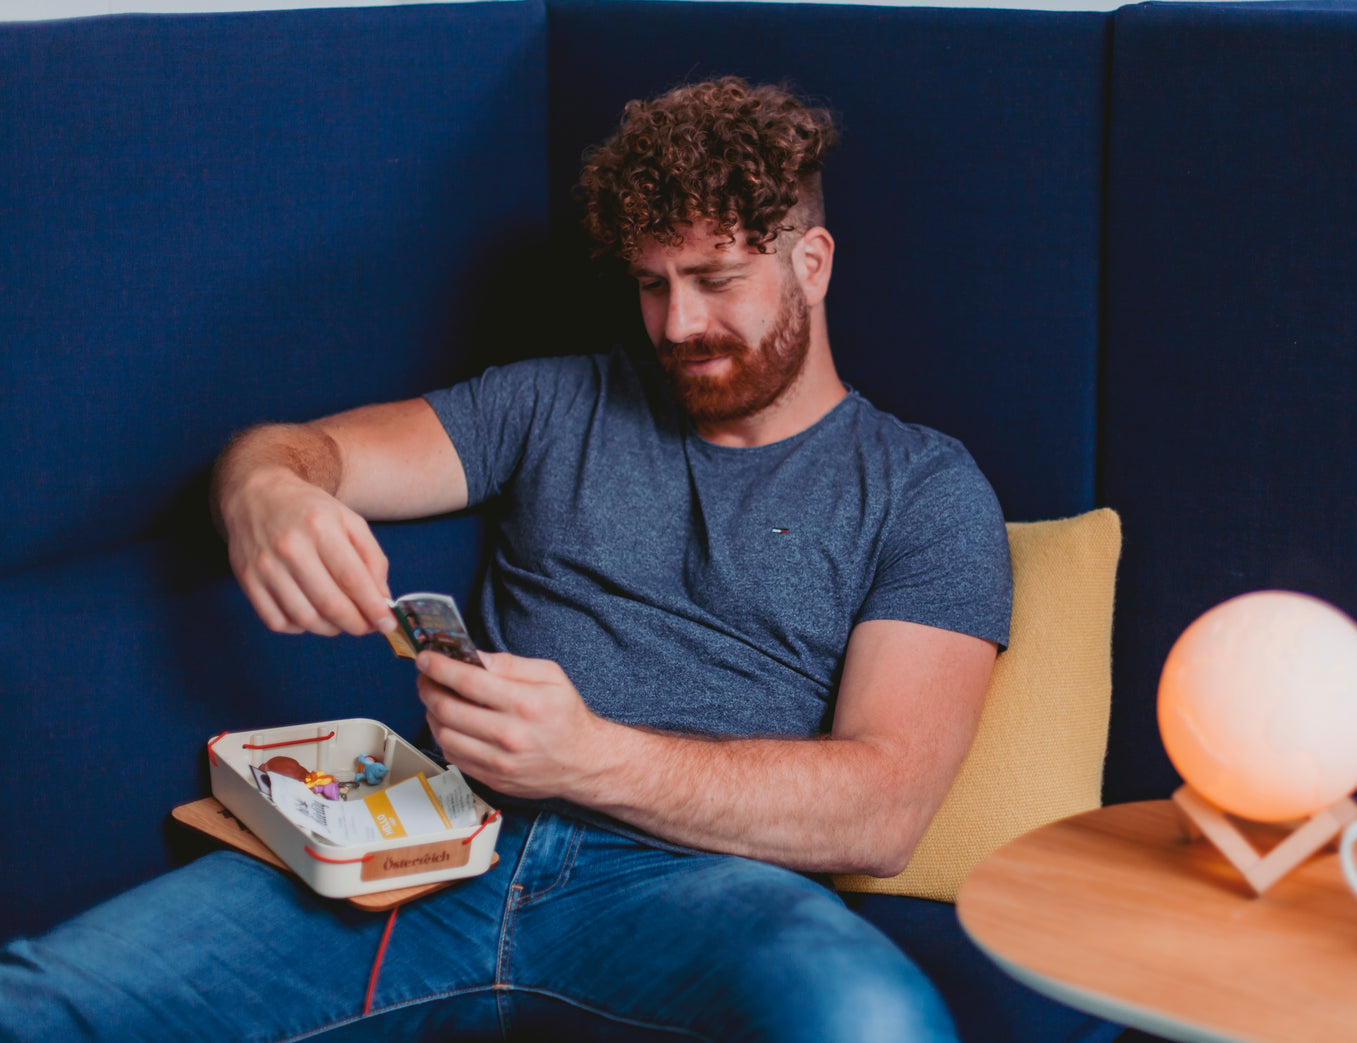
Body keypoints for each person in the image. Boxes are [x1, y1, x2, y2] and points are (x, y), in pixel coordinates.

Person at [0, 77, 1010, 1042]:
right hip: (432, 845)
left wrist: (591, 755)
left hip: (700, 888)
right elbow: (305, 450)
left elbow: (884, 806)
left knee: (872, 1021)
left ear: (812, 264)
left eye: (715, 280)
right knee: (38, 1003)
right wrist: (261, 490)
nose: (678, 324)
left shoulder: (922, 486)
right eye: (652, 285)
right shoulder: (551, 402)